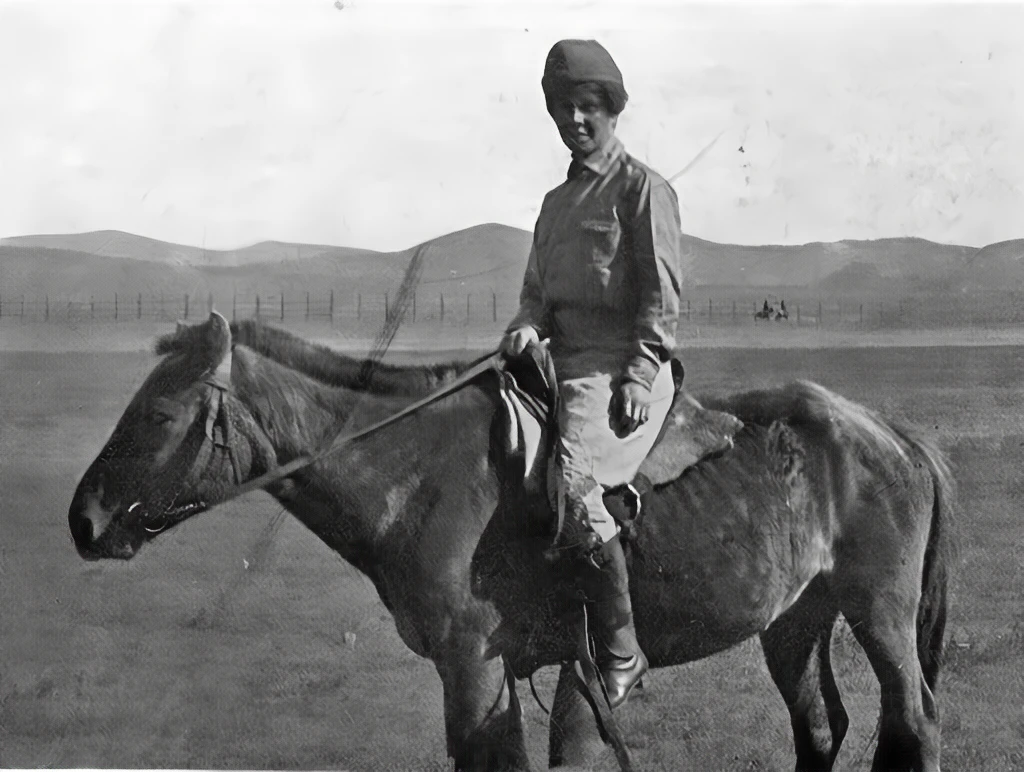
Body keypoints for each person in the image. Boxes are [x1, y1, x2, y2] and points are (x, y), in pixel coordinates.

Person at [500, 39, 683, 709]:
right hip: (558, 366)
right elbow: (535, 297)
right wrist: (525, 326)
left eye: (588, 107)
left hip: (618, 370)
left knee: (578, 489)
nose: (575, 120)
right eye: (563, 109)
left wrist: (638, 374)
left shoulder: (642, 189)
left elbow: (660, 301)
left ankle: (621, 647)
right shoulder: (554, 205)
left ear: (611, 109)